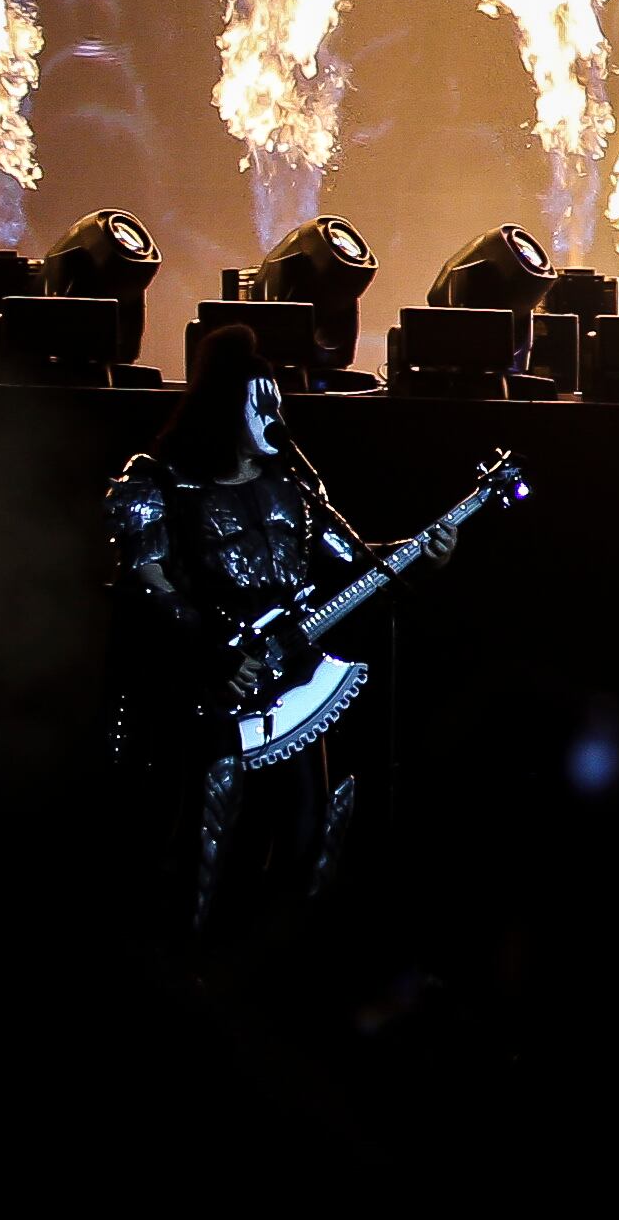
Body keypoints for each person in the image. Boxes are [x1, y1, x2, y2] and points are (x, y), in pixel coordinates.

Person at [105, 324, 435, 933]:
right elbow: (145, 583)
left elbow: (360, 562)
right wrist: (210, 647)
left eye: (278, 402)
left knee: (305, 828)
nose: (274, 415)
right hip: (201, 692)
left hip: (293, 690)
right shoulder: (163, 480)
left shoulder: (296, 489)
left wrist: (425, 548)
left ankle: (278, 959)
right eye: (260, 402)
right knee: (196, 834)